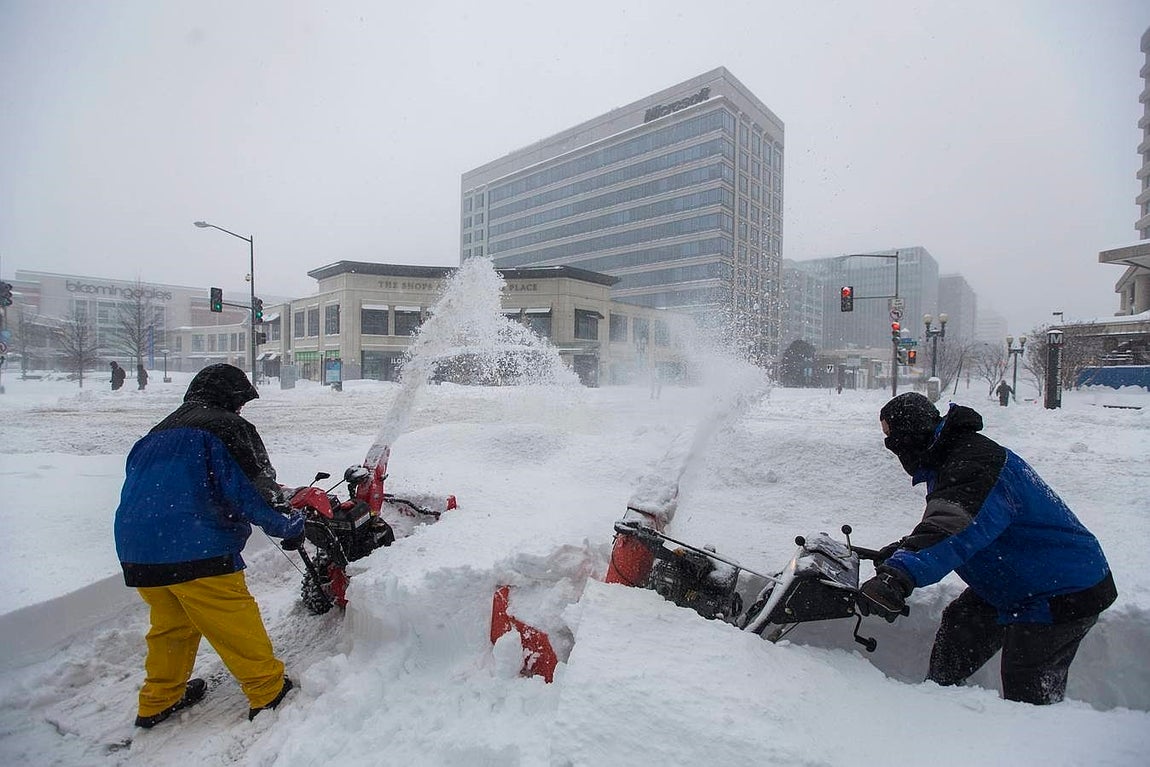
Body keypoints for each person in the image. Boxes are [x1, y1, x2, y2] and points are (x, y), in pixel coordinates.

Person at [858, 392, 1116, 705]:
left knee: (1026, 681)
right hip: (1018, 581)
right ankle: (937, 703)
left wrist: (898, 575)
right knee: (961, 625)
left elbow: (951, 526)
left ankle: (1037, 728)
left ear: (910, 434)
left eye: (893, 439)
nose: (893, 448)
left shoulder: (973, 462)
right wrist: (902, 551)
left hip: (1062, 588)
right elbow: (967, 524)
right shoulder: (951, 457)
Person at [114, 364, 306, 727]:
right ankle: (267, 690)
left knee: (172, 625)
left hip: (136, 547)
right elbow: (252, 489)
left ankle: (159, 699)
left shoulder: (155, 434)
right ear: (231, 398)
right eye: (241, 403)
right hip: (195, 545)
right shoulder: (228, 427)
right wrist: (286, 524)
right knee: (232, 619)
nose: (241, 410)